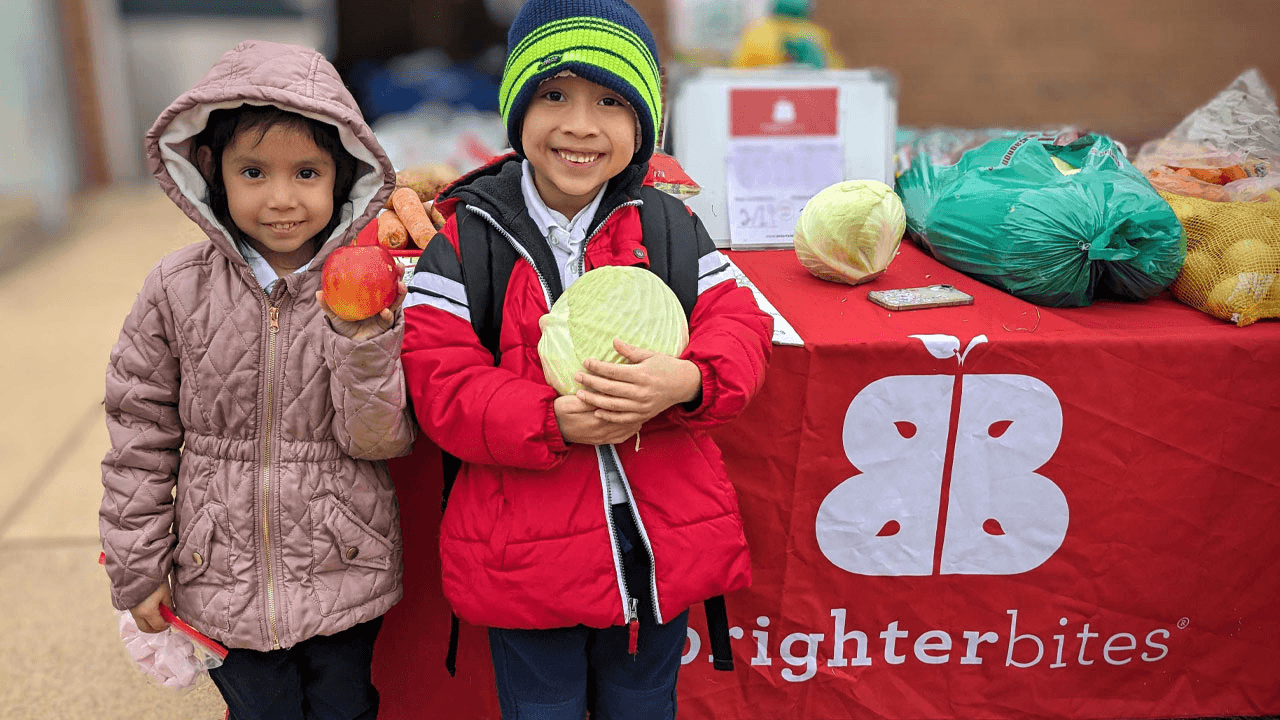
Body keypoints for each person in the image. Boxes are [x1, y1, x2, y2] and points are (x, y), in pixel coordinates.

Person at [399, 0, 774, 717]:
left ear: (643, 125)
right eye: (554, 96)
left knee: (643, 702)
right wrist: (550, 421)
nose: (579, 124)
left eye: (610, 101)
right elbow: (439, 380)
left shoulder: (669, 226)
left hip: (658, 544)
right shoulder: (466, 238)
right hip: (526, 557)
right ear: (517, 113)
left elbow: (740, 325)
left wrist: (691, 379)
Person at [99, 40, 414, 720]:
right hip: (221, 576)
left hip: (342, 562)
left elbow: (380, 438)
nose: (281, 199)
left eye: (306, 172)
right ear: (212, 171)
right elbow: (139, 433)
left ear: (343, 174)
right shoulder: (175, 290)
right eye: (254, 172)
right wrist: (139, 564)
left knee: (346, 707)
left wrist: (363, 342)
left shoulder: (368, 288)